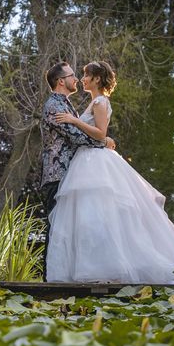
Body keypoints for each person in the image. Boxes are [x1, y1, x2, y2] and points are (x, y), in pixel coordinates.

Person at [46, 61, 174, 283]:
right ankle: (91, 266)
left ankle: (106, 268)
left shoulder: (99, 102)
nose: (80, 79)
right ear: (60, 80)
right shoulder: (77, 103)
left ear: (96, 79)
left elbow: (99, 132)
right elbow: (95, 135)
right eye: (78, 76)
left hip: (93, 162)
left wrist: (79, 123)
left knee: (99, 214)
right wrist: (98, 136)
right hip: (82, 162)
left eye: (85, 75)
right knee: (88, 217)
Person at [40, 61, 115, 281]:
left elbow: (85, 131)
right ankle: (50, 280)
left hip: (71, 175)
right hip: (57, 175)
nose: (77, 79)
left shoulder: (67, 105)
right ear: (61, 81)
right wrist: (105, 142)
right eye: (73, 75)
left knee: (70, 228)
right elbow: (75, 136)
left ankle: (71, 275)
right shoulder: (54, 105)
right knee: (56, 230)